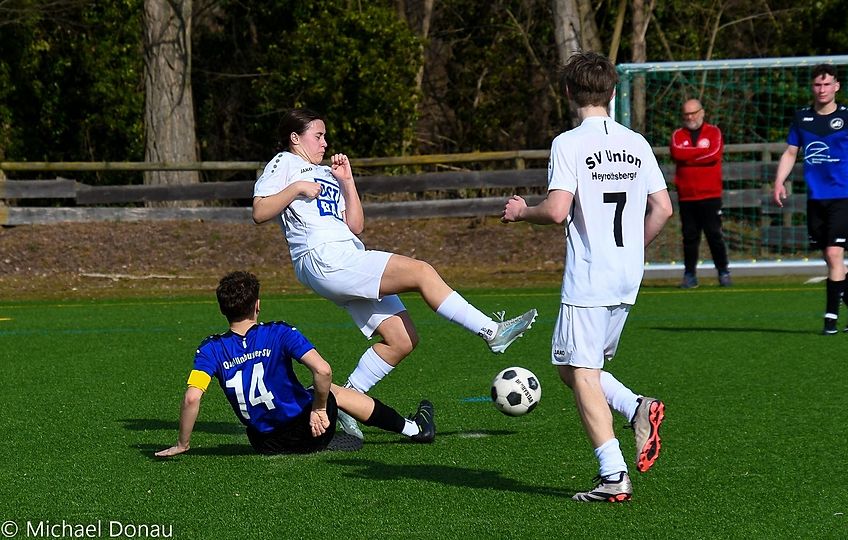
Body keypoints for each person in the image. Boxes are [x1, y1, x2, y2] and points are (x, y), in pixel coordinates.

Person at [252, 108, 538, 439]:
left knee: (401, 340)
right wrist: (296, 188)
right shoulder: (284, 162)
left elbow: (356, 226)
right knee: (422, 272)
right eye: (318, 136)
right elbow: (259, 211)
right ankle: (491, 331)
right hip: (323, 256)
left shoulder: (327, 173)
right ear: (294, 138)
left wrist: (347, 182)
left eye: (325, 136)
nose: (325, 143)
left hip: (345, 254)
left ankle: (347, 401)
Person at [501, 51, 673, 503]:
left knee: (581, 372)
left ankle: (613, 475)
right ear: (612, 92)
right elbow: (663, 209)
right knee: (572, 367)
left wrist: (522, 212)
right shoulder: (636, 142)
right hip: (627, 276)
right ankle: (637, 407)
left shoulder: (569, 143)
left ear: (567, 92)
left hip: (591, 275)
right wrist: (632, 249)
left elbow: (557, 210)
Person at [155, 271, 435, 457]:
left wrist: (183, 443)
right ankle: (414, 429)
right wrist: (319, 408)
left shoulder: (210, 348)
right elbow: (323, 370)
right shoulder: (279, 332)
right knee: (330, 390)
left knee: (303, 393)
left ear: (222, 309)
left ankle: (330, 424)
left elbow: (192, 398)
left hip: (265, 444)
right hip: (312, 432)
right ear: (257, 305)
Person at [773, 63, 848, 335]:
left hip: (844, 195)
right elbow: (790, 152)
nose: (822, 89)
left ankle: (830, 319)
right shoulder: (802, 118)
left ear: (836, 86)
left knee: (834, 253)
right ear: (812, 87)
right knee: (833, 260)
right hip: (816, 197)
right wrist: (779, 180)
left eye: (827, 84)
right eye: (818, 85)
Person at [670, 99, 731, 288]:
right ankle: (689, 275)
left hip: (710, 195)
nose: (690, 117)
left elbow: (714, 154)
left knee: (714, 234)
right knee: (689, 237)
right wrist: (699, 153)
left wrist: (689, 156)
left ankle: (723, 271)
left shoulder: (714, 132)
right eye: (686, 114)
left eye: (693, 113)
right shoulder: (678, 135)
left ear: (702, 112)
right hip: (687, 195)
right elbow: (677, 153)